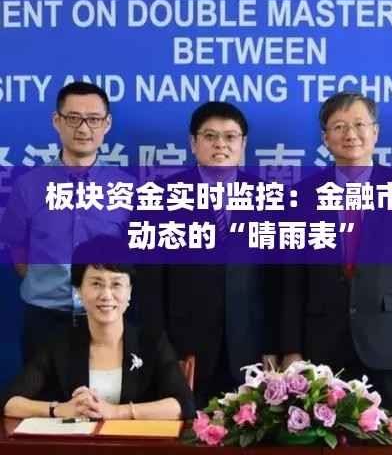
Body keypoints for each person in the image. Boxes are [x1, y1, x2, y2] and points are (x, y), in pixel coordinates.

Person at [279, 91, 392, 411]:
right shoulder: (302, 196)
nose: (350, 134)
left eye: (359, 124)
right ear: (325, 138)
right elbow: (291, 281)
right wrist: (291, 348)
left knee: (387, 431)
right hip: (322, 346)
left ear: (375, 132)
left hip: (389, 345)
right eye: (339, 126)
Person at [136, 101, 278, 408]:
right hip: (186, 352)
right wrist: (164, 353)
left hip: (252, 351)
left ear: (243, 144)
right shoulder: (161, 198)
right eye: (210, 136)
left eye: (230, 137)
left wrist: (274, 345)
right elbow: (149, 288)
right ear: (193, 143)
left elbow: (279, 282)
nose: (220, 145)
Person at [0, 81, 132, 362]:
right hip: (45, 318)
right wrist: (44, 282)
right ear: (56, 121)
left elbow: (135, 256)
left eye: (93, 119)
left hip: (106, 319)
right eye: (73, 118)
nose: (83, 129)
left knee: (103, 391)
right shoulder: (28, 186)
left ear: (107, 124)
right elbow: (16, 246)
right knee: (38, 391)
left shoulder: (127, 188)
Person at [1, 236, 194, 420]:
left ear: (129, 292)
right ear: (79, 291)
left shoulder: (151, 342)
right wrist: (60, 409)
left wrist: (116, 412)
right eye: (96, 284)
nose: (106, 295)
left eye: (116, 284)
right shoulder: (58, 343)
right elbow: (9, 402)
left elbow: (183, 404)